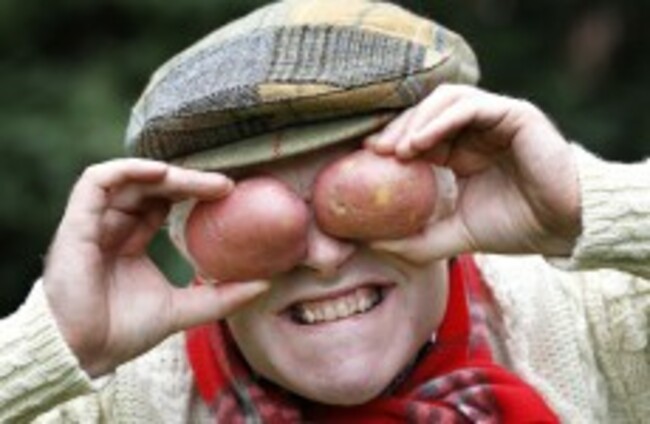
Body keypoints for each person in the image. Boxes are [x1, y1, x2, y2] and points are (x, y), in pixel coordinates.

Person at [1, 0, 648, 422]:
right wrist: (58, 345)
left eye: (362, 199)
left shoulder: (601, 321)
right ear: (188, 240)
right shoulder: (107, 404)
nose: (323, 256)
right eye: (259, 212)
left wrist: (584, 207)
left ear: (447, 188)